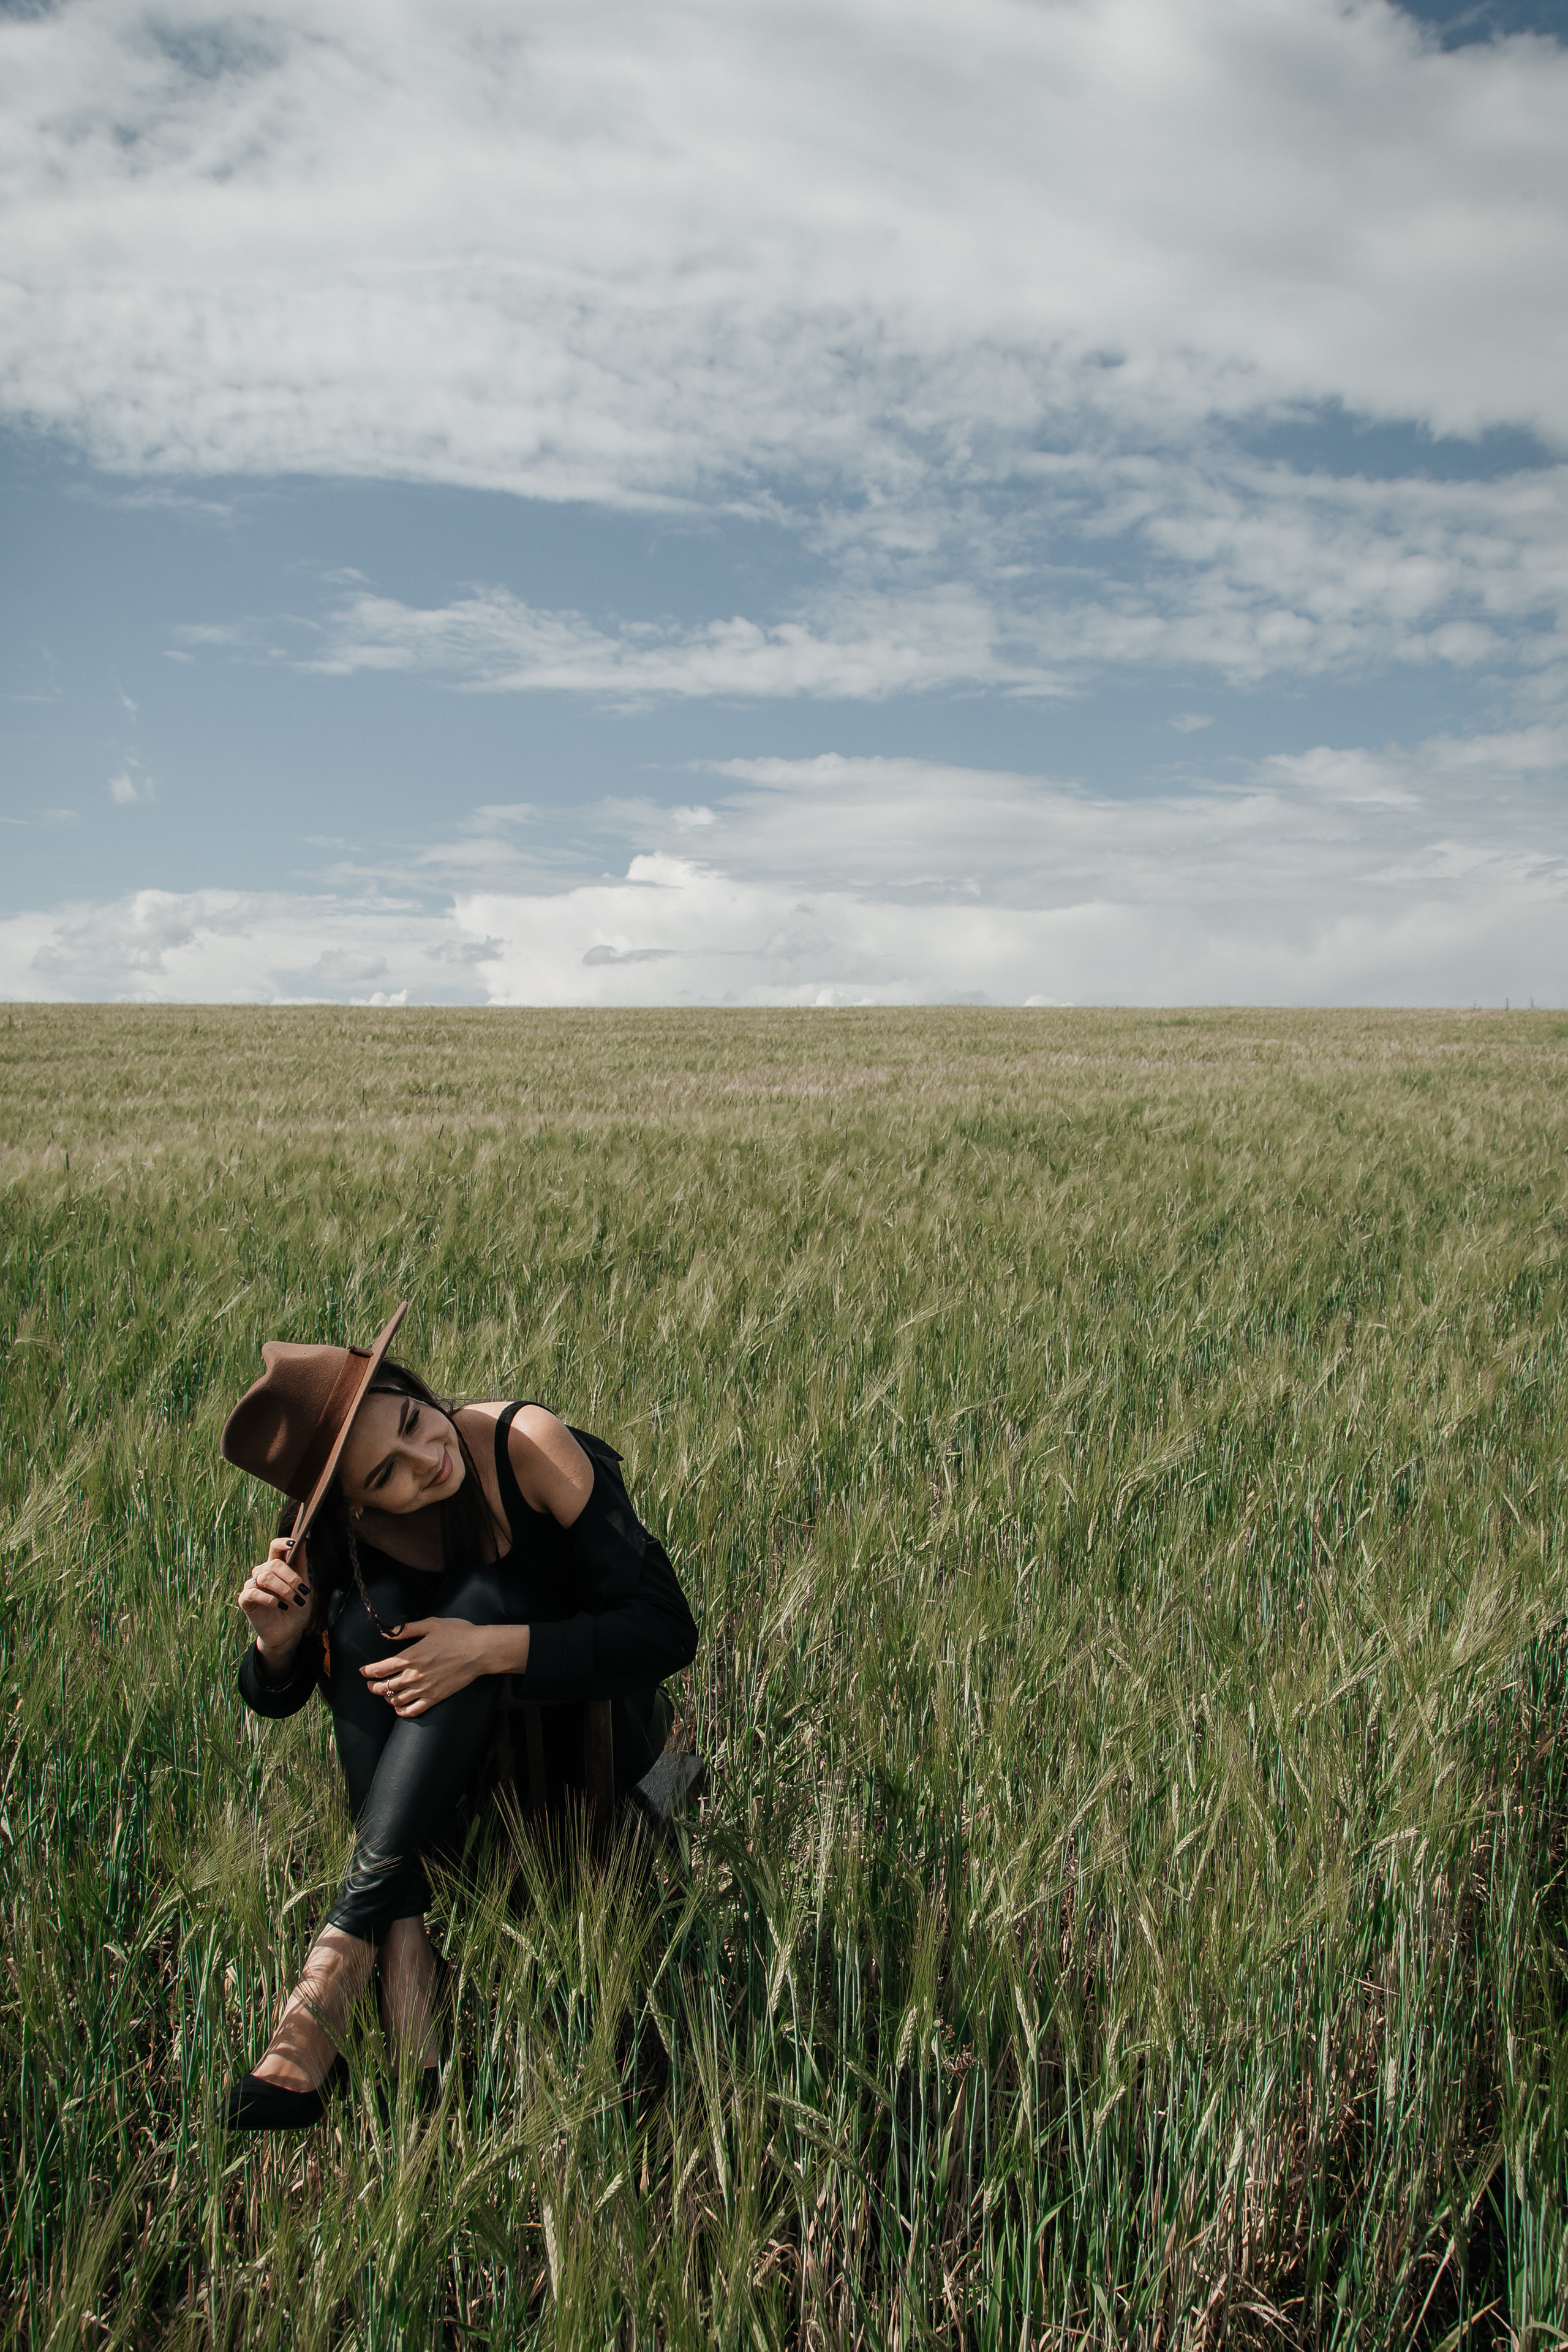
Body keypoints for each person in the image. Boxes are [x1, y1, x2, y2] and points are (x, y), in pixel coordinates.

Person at [219, 1302, 699, 2131]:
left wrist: (488, 1649)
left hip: (597, 1731)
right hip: (465, 1773)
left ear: (411, 1387)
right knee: (363, 1625)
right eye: (386, 1475)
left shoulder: (529, 1446)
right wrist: (281, 1649)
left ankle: (338, 1967)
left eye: (412, 1419)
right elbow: (283, 1696)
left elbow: (666, 1630)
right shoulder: (336, 1533)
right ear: (355, 1507)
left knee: (476, 1602)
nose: (426, 1457)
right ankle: (403, 1946)